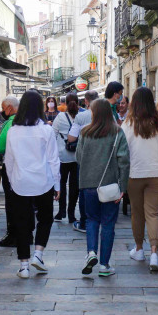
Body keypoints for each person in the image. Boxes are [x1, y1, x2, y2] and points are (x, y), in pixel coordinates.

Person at [5, 90, 61, 278]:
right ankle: (38, 254)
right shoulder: (46, 130)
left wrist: (12, 181)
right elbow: (54, 159)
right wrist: (58, 184)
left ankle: (23, 265)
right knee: (45, 218)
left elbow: (9, 160)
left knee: (21, 222)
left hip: (20, 182)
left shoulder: (13, 131)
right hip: (43, 181)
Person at [76, 99, 130, 277]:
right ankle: (105, 265)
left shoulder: (85, 132)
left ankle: (91, 252)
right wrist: (123, 186)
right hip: (110, 185)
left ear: (94, 113)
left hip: (88, 184)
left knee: (92, 220)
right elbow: (123, 160)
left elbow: (78, 157)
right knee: (108, 223)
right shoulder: (117, 132)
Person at [123, 87, 158, 271]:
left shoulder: (128, 123)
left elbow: (123, 151)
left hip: (135, 173)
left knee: (137, 212)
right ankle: (155, 253)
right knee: (154, 213)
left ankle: (140, 249)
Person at [66, 90, 100, 232]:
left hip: (85, 157)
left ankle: (85, 222)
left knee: (84, 188)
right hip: (102, 156)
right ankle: (99, 218)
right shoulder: (106, 115)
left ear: (86, 101)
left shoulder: (81, 116)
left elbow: (71, 138)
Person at [0, 95, 20, 247]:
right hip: (25, 168)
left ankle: (13, 235)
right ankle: (26, 233)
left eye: (4, 108)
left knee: (11, 202)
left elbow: (0, 147)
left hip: (10, 167)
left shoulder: (11, 123)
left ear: (10, 108)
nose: (3, 111)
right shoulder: (29, 121)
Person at [52, 92, 80, 223]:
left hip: (62, 156)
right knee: (75, 186)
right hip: (78, 156)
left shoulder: (60, 117)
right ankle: (72, 214)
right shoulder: (82, 117)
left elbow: (53, 134)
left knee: (61, 183)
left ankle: (61, 211)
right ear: (78, 103)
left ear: (66, 104)